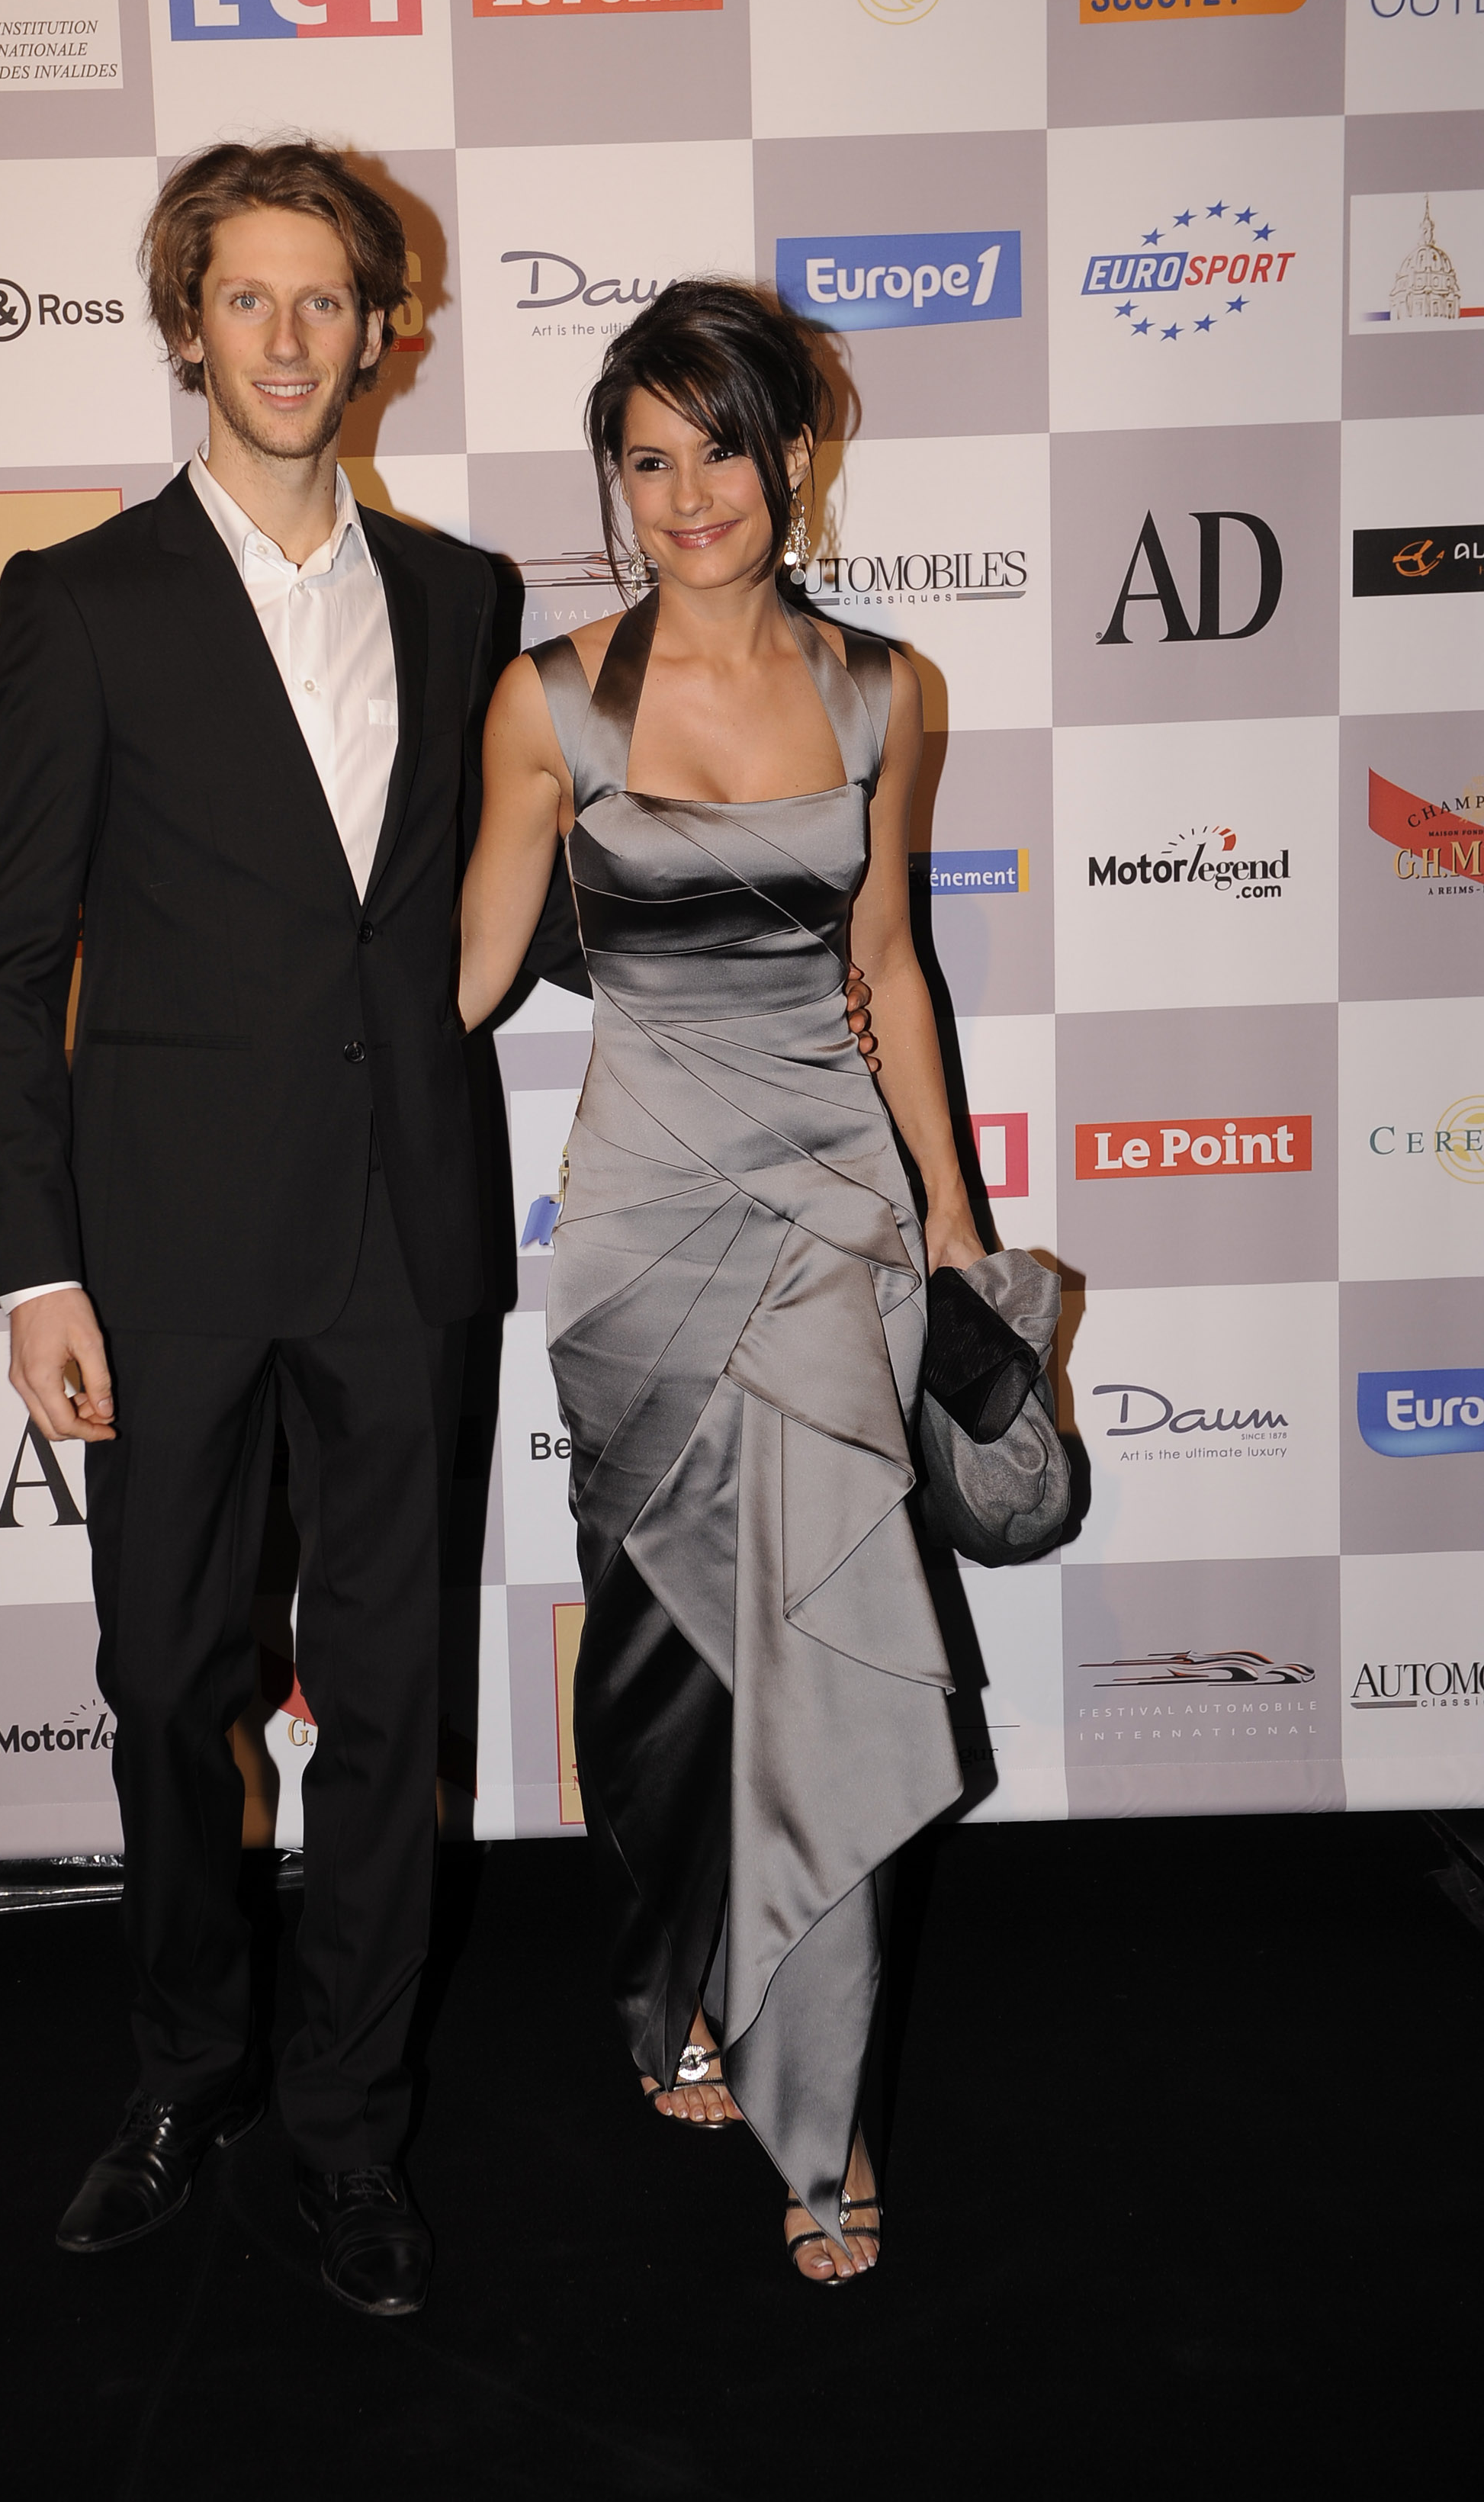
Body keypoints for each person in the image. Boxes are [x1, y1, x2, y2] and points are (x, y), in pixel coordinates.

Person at [0, 137, 509, 2319]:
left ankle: (354, 2128)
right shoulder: (83, 598)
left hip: (402, 1242)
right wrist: (37, 1265)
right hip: (166, 1256)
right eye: (247, 297)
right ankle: (189, 2074)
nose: (289, 338)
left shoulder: (463, 600)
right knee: (168, 1689)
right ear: (189, 324)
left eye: (325, 299)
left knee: (387, 1709)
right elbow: (11, 961)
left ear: (382, 334)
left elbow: (488, 911)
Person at [457, 280, 988, 2285]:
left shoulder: (887, 693)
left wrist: (956, 1221)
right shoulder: (550, 702)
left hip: (835, 1212)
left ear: (793, 456)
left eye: (723, 451)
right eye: (648, 460)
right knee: (667, 1657)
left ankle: (820, 2114)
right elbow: (462, 978)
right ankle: (678, 1966)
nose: (689, 497)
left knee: (828, 1661)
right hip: (639, 1232)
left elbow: (892, 971)